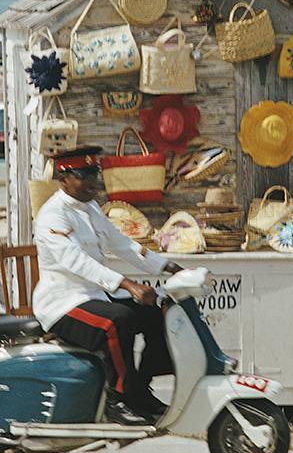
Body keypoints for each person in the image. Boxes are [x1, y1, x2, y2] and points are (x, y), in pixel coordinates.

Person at [32, 146, 183, 425]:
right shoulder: (53, 216)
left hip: (94, 296)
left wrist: (167, 267)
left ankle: (140, 387)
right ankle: (119, 398)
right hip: (63, 303)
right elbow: (76, 261)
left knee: (158, 312)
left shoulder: (90, 208)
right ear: (63, 179)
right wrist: (127, 283)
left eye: (94, 174)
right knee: (117, 321)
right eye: (83, 175)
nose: (92, 182)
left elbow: (122, 244)